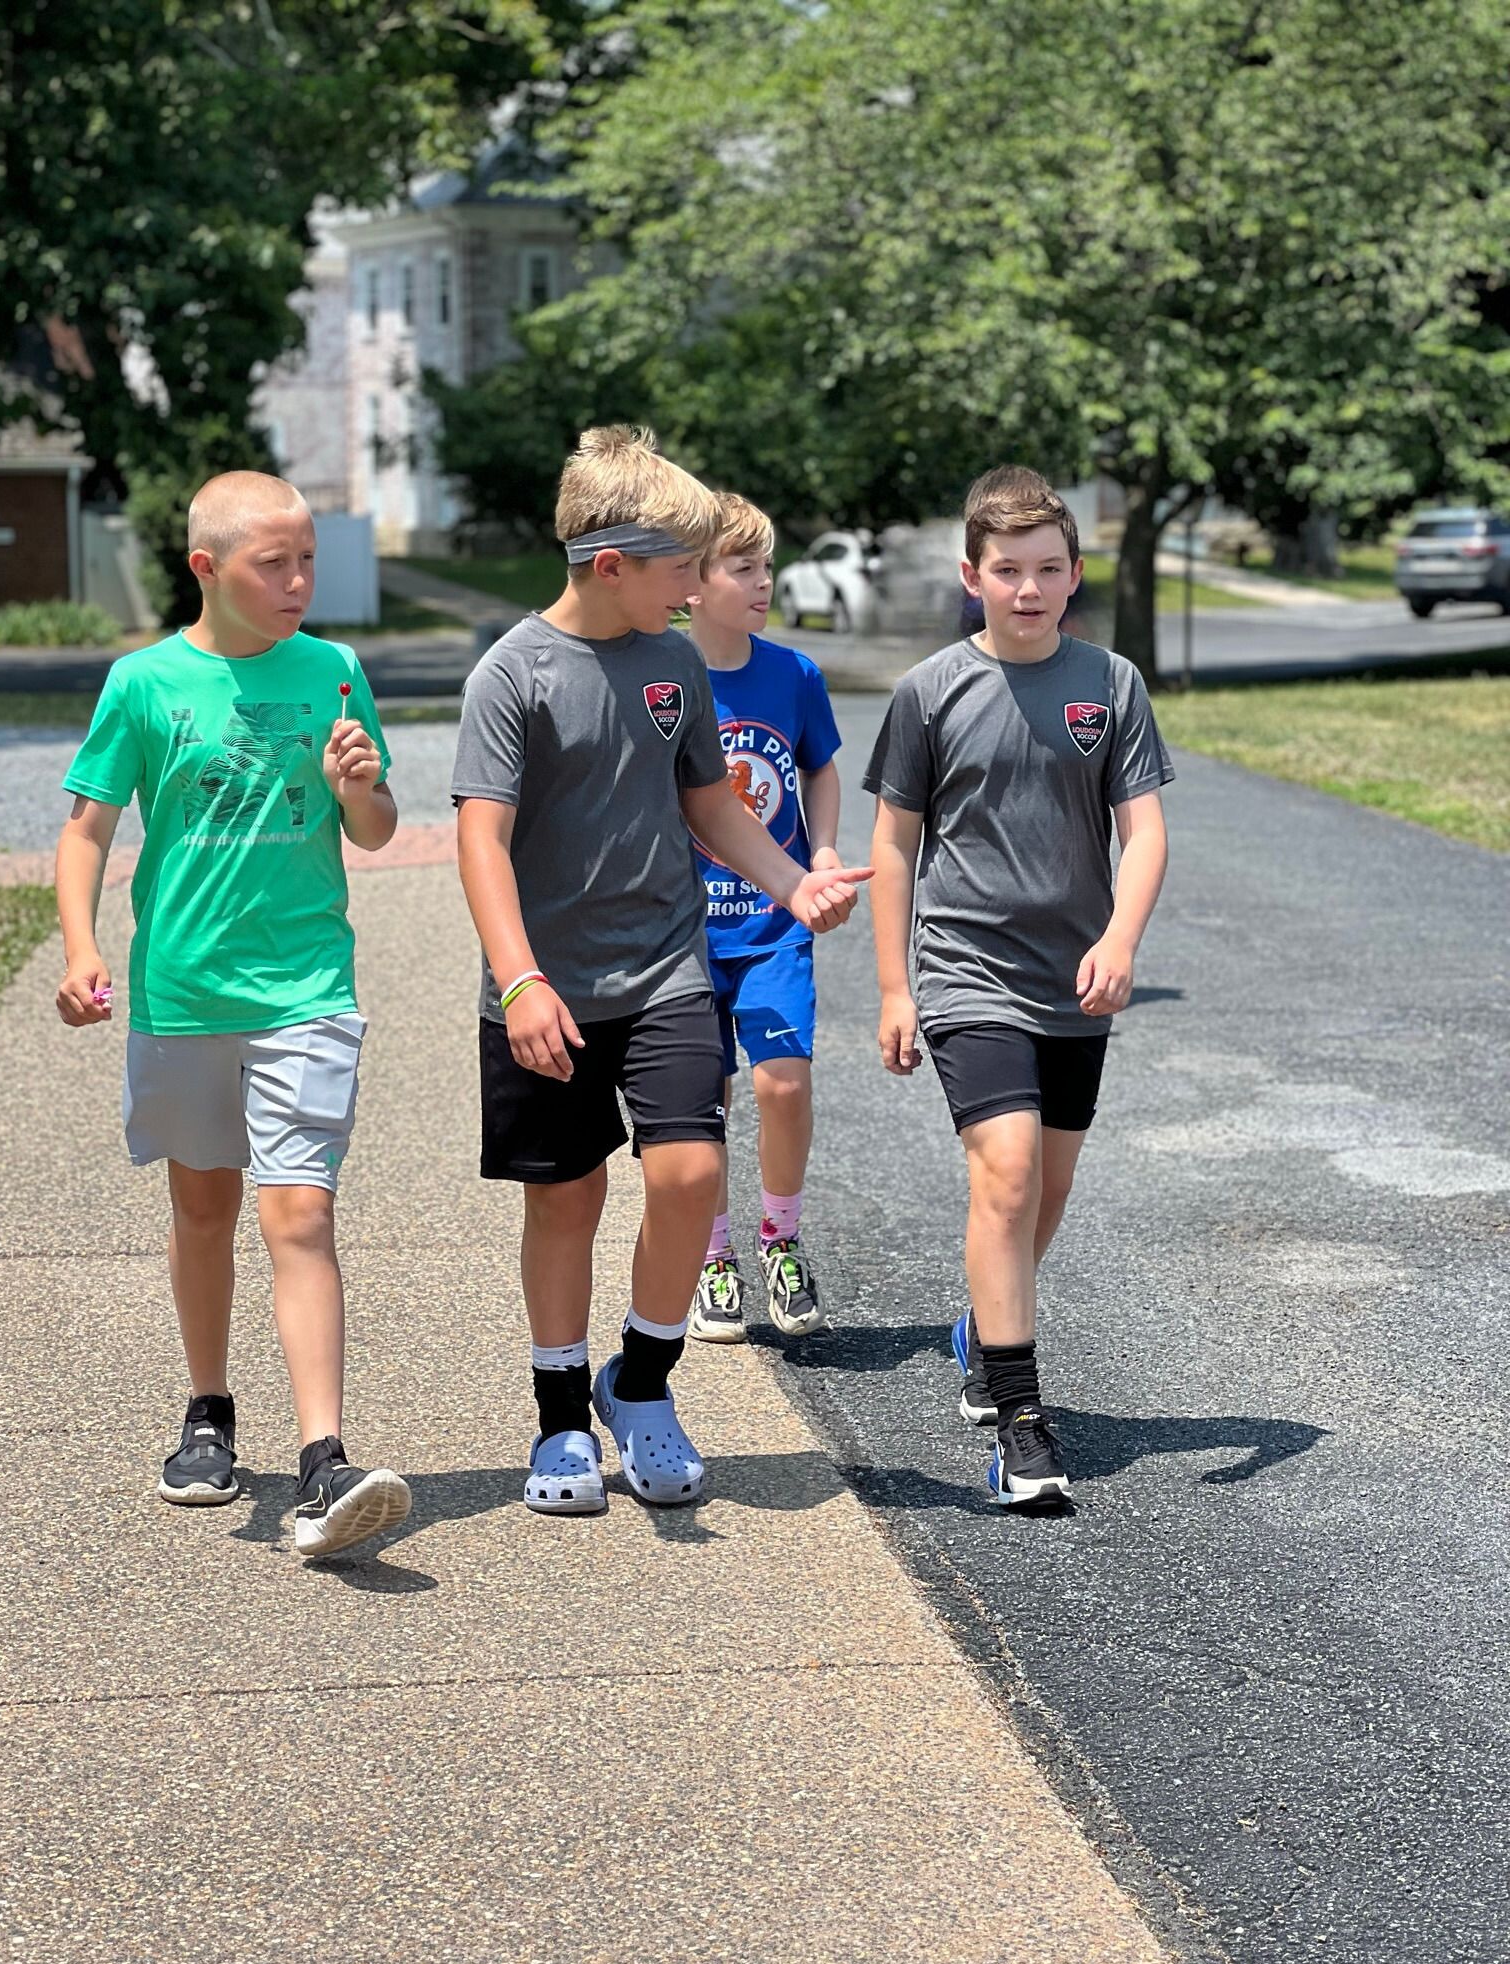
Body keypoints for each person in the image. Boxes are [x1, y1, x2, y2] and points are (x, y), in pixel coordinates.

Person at [452, 427, 870, 1517]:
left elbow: (711, 804)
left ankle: (638, 1386)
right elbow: (480, 840)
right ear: (612, 565)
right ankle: (557, 1418)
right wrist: (518, 980)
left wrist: (792, 882)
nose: (695, 590)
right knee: (568, 1196)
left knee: (688, 1176)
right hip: (544, 989)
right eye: (682, 567)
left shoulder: (675, 663)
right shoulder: (514, 674)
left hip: (665, 971)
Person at [54, 470, 412, 1561]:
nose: (301, 580)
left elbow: (379, 828)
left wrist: (359, 783)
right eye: (276, 563)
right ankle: (208, 1409)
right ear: (207, 568)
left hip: (307, 987)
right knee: (203, 1208)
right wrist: (81, 949)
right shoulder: (145, 683)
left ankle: (325, 1457)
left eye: (309, 558)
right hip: (183, 993)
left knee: (297, 1212)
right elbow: (84, 830)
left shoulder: (337, 673)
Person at [865, 465, 1172, 1508]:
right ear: (973, 574)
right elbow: (895, 843)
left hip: (1072, 982)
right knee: (1003, 1172)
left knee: (1046, 1182)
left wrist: (1123, 936)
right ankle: (1020, 1417)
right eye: (1008, 570)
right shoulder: (929, 692)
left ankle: (982, 1327)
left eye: (1048, 569)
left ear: (1074, 573)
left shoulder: (1113, 684)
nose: (1029, 587)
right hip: (967, 973)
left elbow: (1145, 830)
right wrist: (896, 985)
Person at [681, 493, 843, 1342]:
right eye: (742, 568)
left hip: (774, 924)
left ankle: (781, 1238)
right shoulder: (662, 676)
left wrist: (819, 856)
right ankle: (711, 1257)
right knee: (701, 1100)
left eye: (767, 567)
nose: (763, 582)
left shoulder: (794, 674)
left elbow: (819, 767)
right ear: (692, 583)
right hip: (683, 937)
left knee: (783, 1082)